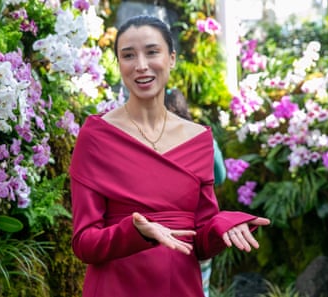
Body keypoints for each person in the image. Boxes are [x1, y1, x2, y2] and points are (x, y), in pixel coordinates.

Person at [69, 15, 270, 297]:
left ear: (172, 58)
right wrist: (136, 232)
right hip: (115, 287)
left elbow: (200, 242)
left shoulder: (200, 138)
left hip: (180, 286)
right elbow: (83, 243)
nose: (141, 65)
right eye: (128, 55)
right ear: (118, 64)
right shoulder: (96, 135)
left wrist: (223, 225)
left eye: (152, 52)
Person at [165, 87, 226, 297]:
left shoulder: (151, 139)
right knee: (201, 284)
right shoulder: (201, 136)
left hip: (165, 227)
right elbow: (221, 175)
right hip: (200, 223)